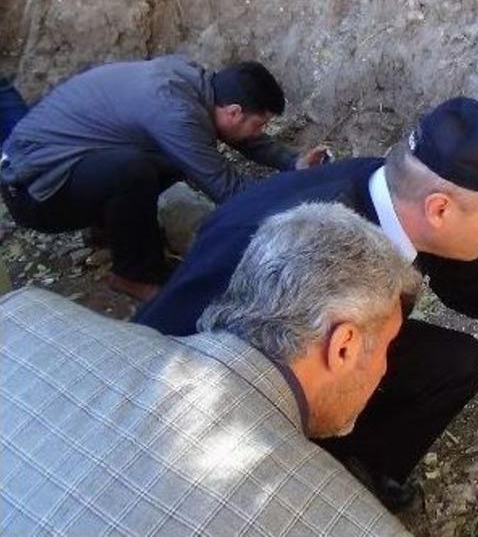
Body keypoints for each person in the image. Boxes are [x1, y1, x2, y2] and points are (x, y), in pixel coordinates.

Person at [135, 96, 478, 510]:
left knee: (455, 363)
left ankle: (361, 471)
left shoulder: (391, 200)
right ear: (439, 209)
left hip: (293, 355)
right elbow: (186, 363)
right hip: (195, 391)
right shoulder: (293, 244)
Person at [0, 202, 419, 536]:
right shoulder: (353, 523)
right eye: (387, 346)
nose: (385, 367)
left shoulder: (26, 316)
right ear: (343, 345)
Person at [0, 56, 330, 301]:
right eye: (258, 124)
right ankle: (133, 273)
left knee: (160, 161)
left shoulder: (194, 83)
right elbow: (229, 189)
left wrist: (293, 163)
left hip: (60, 166)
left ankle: (111, 231)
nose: (258, 133)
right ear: (233, 111)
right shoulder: (176, 114)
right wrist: (296, 204)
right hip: (33, 193)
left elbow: (243, 137)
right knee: (136, 170)